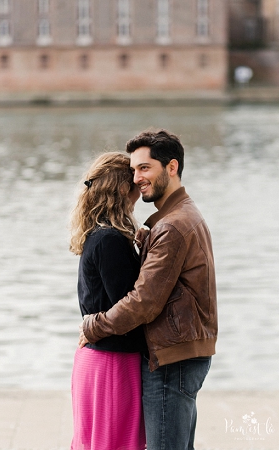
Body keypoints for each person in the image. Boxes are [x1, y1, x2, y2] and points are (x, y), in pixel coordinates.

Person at [81, 129, 217, 450]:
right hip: (182, 352)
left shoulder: (171, 225)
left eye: (145, 168)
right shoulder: (175, 217)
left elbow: (143, 302)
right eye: (133, 170)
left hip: (170, 359)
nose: (137, 178)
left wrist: (93, 325)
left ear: (171, 168)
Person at [69, 152, 146, 450]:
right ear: (125, 188)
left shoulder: (98, 235)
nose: (141, 182)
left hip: (98, 358)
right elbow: (128, 308)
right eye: (136, 176)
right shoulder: (110, 240)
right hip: (112, 363)